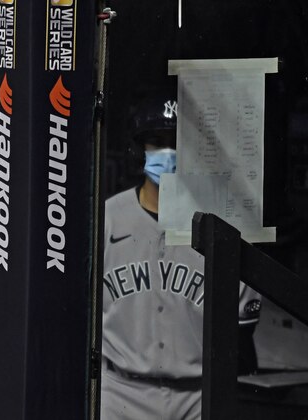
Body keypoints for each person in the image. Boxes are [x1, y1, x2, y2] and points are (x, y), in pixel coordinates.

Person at [99, 88, 262, 420]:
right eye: (156, 142)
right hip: (120, 393)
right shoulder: (108, 218)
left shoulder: (221, 226)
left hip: (198, 397)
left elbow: (242, 328)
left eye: (176, 142)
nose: (167, 152)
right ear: (137, 150)